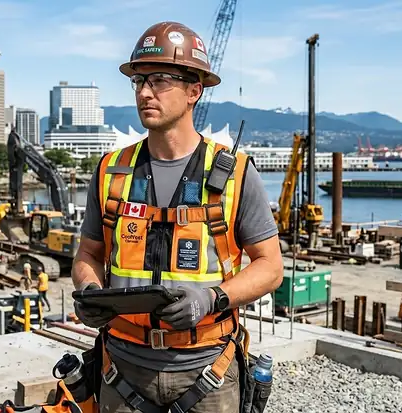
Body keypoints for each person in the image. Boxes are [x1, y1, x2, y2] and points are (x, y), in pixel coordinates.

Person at [71, 21, 283, 413]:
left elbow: (270, 267)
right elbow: (88, 253)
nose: (145, 92)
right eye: (139, 81)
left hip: (207, 370)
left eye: (161, 80)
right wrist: (88, 290)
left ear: (194, 91)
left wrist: (212, 297)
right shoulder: (111, 172)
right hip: (121, 366)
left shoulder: (233, 173)